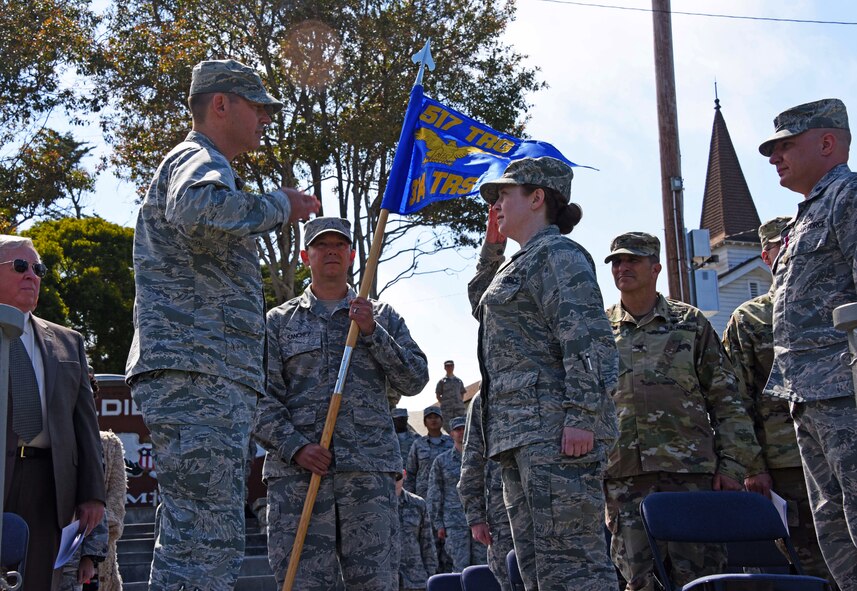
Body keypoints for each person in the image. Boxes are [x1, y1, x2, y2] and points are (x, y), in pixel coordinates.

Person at [124, 58, 319, 590]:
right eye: (256, 107)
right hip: (196, 372)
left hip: (203, 372)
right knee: (207, 538)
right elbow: (197, 208)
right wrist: (280, 205)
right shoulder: (197, 159)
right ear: (220, 104)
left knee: (197, 529)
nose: (264, 119)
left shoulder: (208, 163)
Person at [468, 156, 619, 591]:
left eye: (503, 195)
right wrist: (492, 247)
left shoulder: (559, 254)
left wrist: (582, 417)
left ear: (537, 198)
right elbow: (484, 306)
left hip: (556, 434)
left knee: (575, 568)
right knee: (538, 573)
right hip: (520, 435)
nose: (494, 204)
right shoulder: (521, 261)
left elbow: (588, 340)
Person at [253, 217, 429, 590]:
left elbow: (414, 379)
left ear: (351, 255)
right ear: (306, 256)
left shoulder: (383, 318)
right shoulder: (278, 323)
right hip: (298, 479)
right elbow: (257, 398)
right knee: (302, 583)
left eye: (339, 245)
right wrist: (296, 447)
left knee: (375, 584)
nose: (330, 251)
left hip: (367, 475)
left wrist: (371, 333)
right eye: (321, 245)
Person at [604, 231, 766, 591]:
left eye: (632, 259)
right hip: (626, 483)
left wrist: (733, 467)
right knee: (640, 584)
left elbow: (727, 400)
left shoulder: (690, 324)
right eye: (616, 261)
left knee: (702, 582)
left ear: (656, 267)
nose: (622, 267)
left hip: (692, 480)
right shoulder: (599, 331)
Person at [759, 98, 857, 589]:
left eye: (785, 146)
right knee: (835, 533)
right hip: (810, 397)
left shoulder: (849, 196)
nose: (775, 157)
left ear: (826, 142)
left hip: (847, 393)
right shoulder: (805, 217)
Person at [722, 217, 833, 584]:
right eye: (778, 246)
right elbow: (737, 399)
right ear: (766, 257)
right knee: (808, 564)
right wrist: (753, 466)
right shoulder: (749, 319)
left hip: (840, 449)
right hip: (787, 463)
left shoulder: (833, 305)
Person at [1, 235, 105, 590]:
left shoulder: (68, 341)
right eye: (20, 266)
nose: (32, 275)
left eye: (38, 268)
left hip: (49, 482)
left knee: (36, 580)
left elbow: (86, 426)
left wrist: (92, 493)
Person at [61, 370, 129, 591]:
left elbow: (115, 505)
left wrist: (88, 555)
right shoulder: (54, 441)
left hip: (94, 560)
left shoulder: (109, 444)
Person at [458, 392, 514, 591]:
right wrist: (476, 517)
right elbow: (472, 460)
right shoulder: (486, 396)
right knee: (511, 580)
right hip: (505, 516)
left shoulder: (558, 374)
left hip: (562, 506)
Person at [427, 415, 488, 573]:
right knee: (460, 567)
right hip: (454, 523)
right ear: (451, 434)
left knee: (483, 565)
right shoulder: (441, 461)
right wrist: (438, 523)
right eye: (457, 430)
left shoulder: (481, 457)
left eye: (463, 428)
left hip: (481, 519)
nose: (461, 432)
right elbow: (435, 493)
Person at [395, 470, 438, 591]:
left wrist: (431, 575)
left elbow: (427, 543)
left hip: (415, 579)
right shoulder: (376, 506)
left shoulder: (418, 504)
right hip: (386, 580)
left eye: (397, 475)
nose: (394, 479)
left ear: (404, 474)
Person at [404, 406, 453, 499]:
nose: (433, 420)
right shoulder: (418, 444)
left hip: (448, 494)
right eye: (429, 418)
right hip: (425, 494)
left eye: (436, 417)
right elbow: (410, 472)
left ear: (442, 421)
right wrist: (410, 496)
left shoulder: (451, 442)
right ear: (425, 422)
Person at [435, 360, 466, 433]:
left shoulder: (458, 381)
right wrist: (444, 403)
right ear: (445, 368)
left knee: (461, 427)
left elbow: (462, 393)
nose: (449, 367)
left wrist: (458, 402)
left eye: (451, 366)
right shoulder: (442, 382)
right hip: (447, 411)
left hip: (459, 410)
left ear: (453, 367)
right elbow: (438, 394)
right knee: (448, 428)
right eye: (447, 366)